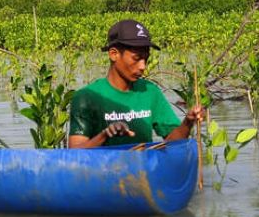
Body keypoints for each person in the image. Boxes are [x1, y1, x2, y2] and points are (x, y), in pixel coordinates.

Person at [68, 19, 203, 148]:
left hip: (141, 171)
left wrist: (188, 122)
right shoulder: (86, 97)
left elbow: (172, 142)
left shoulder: (150, 91)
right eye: (136, 58)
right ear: (113, 54)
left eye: (146, 59)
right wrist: (105, 134)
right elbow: (75, 153)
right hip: (104, 171)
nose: (143, 66)